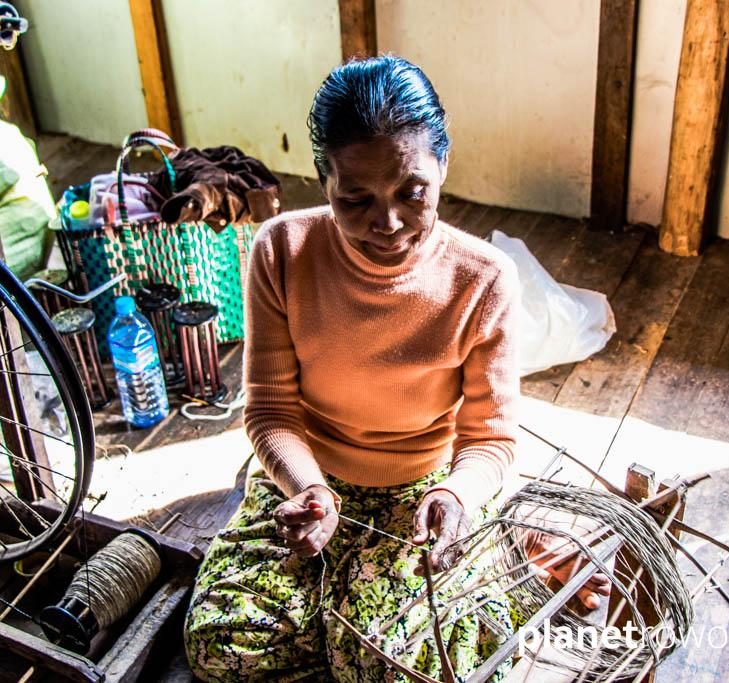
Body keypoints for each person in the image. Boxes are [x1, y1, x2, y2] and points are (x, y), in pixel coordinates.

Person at [184, 55, 608, 682]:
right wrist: (308, 492)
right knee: (225, 646)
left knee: (397, 667)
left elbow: (490, 437)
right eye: (354, 199)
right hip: (309, 482)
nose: (387, 223)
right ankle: (340, 613)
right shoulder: (281, 249)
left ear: (443, 166)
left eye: (413, 192)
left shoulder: (485, 278)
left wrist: (456, 494)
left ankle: (362, 611)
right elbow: (271, 412)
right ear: (322, 179)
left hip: (424, 493)